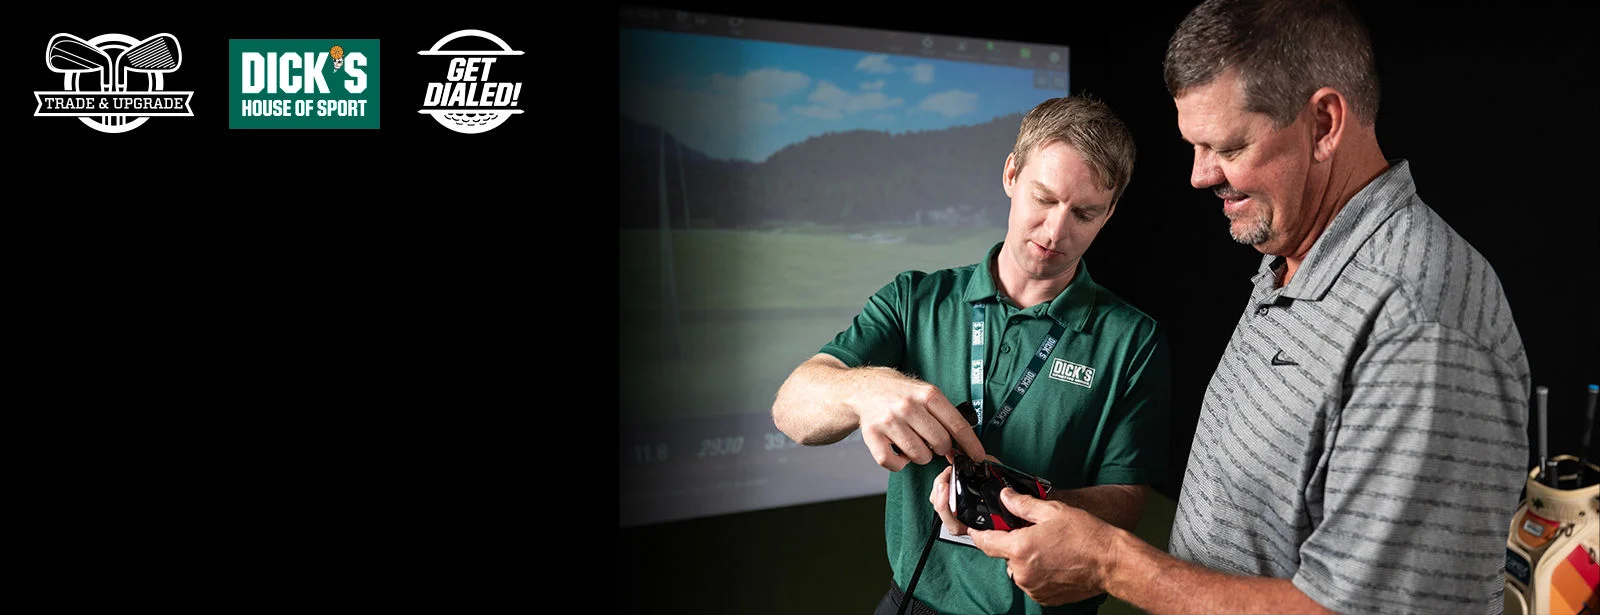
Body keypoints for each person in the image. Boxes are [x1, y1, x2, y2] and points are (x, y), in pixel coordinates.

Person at [964, 1, 1531, 614]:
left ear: (1324, 122)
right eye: (1194, 146)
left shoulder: (1420, 324)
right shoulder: (1291, 259)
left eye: (1227, 147)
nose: (1199, 177)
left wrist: (1110, 562)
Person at [771, 95, 1172, 615]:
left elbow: (1125, 499)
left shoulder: (1133, 340)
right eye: (1044, 198)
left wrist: (1010, 498)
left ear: (1110, 213)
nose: (1056, 231)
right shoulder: (914, 300)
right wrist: (864, 388)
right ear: (1011, 174)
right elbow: (791, 412)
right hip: (915, 601)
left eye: (1085, 213)